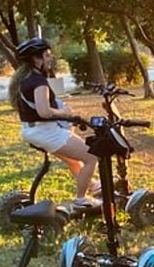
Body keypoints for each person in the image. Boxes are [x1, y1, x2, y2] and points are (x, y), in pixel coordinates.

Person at [7, 38, 100, 207]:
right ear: (37, 59)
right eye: (47, 55)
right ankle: (81, 200)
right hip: (46, 132)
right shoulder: (38, 82)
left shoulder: (26, 79)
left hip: (32, 131)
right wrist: (65, 112)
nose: (50, 58)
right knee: (92, 156)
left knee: (73, 160)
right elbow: (44, 111)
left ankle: (93, 185)